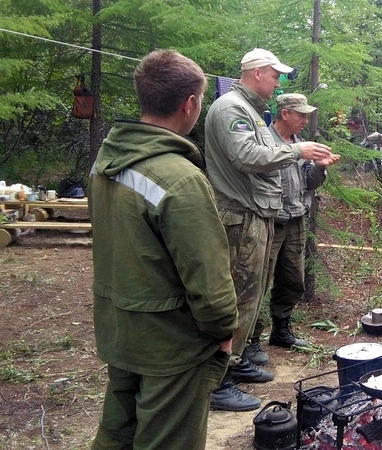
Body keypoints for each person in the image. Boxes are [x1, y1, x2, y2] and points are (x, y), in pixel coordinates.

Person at [88, 49, 238, 449]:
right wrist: (224, 330)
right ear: (190, 104)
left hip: (120, 327)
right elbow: (207, 276)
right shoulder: (181, 180)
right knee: (167, 438)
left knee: (117, 431)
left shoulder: (107, 160)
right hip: (170, 343)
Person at [204, 48, 333, 411]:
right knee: (239, 299)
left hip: (257, 214)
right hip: (240, 216)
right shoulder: (232, 108)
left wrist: (306, 157)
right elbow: (246, 157)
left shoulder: (249, 111)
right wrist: (298, 152)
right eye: (275, 76)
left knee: (251, 293)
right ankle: (219, 380)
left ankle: (237, 359)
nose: (277, 83)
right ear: (257, 72)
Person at [244, 93, 340, 364]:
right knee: (259, 281)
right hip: (270, 219)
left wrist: (320, 168)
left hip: (297, 218)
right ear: (285, 113)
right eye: (301, 115)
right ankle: (250, 340)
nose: (305, 120)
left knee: (292, 279)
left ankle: (281, 330)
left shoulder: (301, 145)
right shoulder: (265, 143)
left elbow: (308, 183)